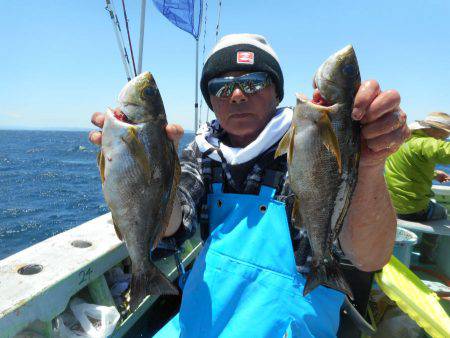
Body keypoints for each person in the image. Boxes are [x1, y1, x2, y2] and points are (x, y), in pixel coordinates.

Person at [89, 34, 409, 337]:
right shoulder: (200, 154)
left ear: (276, 92)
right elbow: (173, 230)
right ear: (211, 100)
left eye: (254, 82)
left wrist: (368, 164)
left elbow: (369, 258)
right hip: (202, 317)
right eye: (223, 87)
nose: (238, 95)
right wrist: (155, 176)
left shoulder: (314, 145)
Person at [385, 112, 450, 263]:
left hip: (390, 206)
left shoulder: (403, 142)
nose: (444, 137)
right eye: (444, 133)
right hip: (412, 210)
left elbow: (409, 168)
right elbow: (444, 151)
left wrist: (434, 174)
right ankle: (426, 256)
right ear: (434, 130)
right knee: (441, 212)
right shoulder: (424, 143)